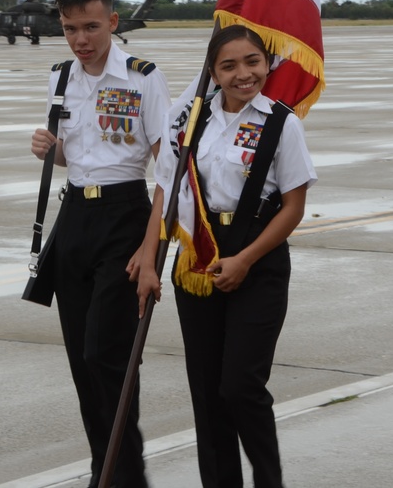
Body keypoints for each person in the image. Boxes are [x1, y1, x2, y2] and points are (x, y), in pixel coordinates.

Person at [134, 24, 316, 488]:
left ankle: (269, 481)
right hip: (198, 256)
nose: (242, 74)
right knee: (208, 394)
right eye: (229, 65)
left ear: (268, 64)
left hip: (257, 258)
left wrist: (246, 259)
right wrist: (150, 258)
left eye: (252, 62)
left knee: (241, 387)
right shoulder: (189, 119)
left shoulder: (281, 122)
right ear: (212, 72)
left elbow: (293, 207)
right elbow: (167, 190)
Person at [30, 0, 170, 488]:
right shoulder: (61, 77)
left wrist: (150, 248)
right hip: (76, 222)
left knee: (105, 356)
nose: (80, 39)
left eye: (90, 26)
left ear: (112, 21)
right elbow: (79, 156)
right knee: (81, 365)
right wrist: (52, 150)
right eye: (69, 28)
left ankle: (124, 476)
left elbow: (168, 169)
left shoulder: (142, 77)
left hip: (125, 219)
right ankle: (104, 472)